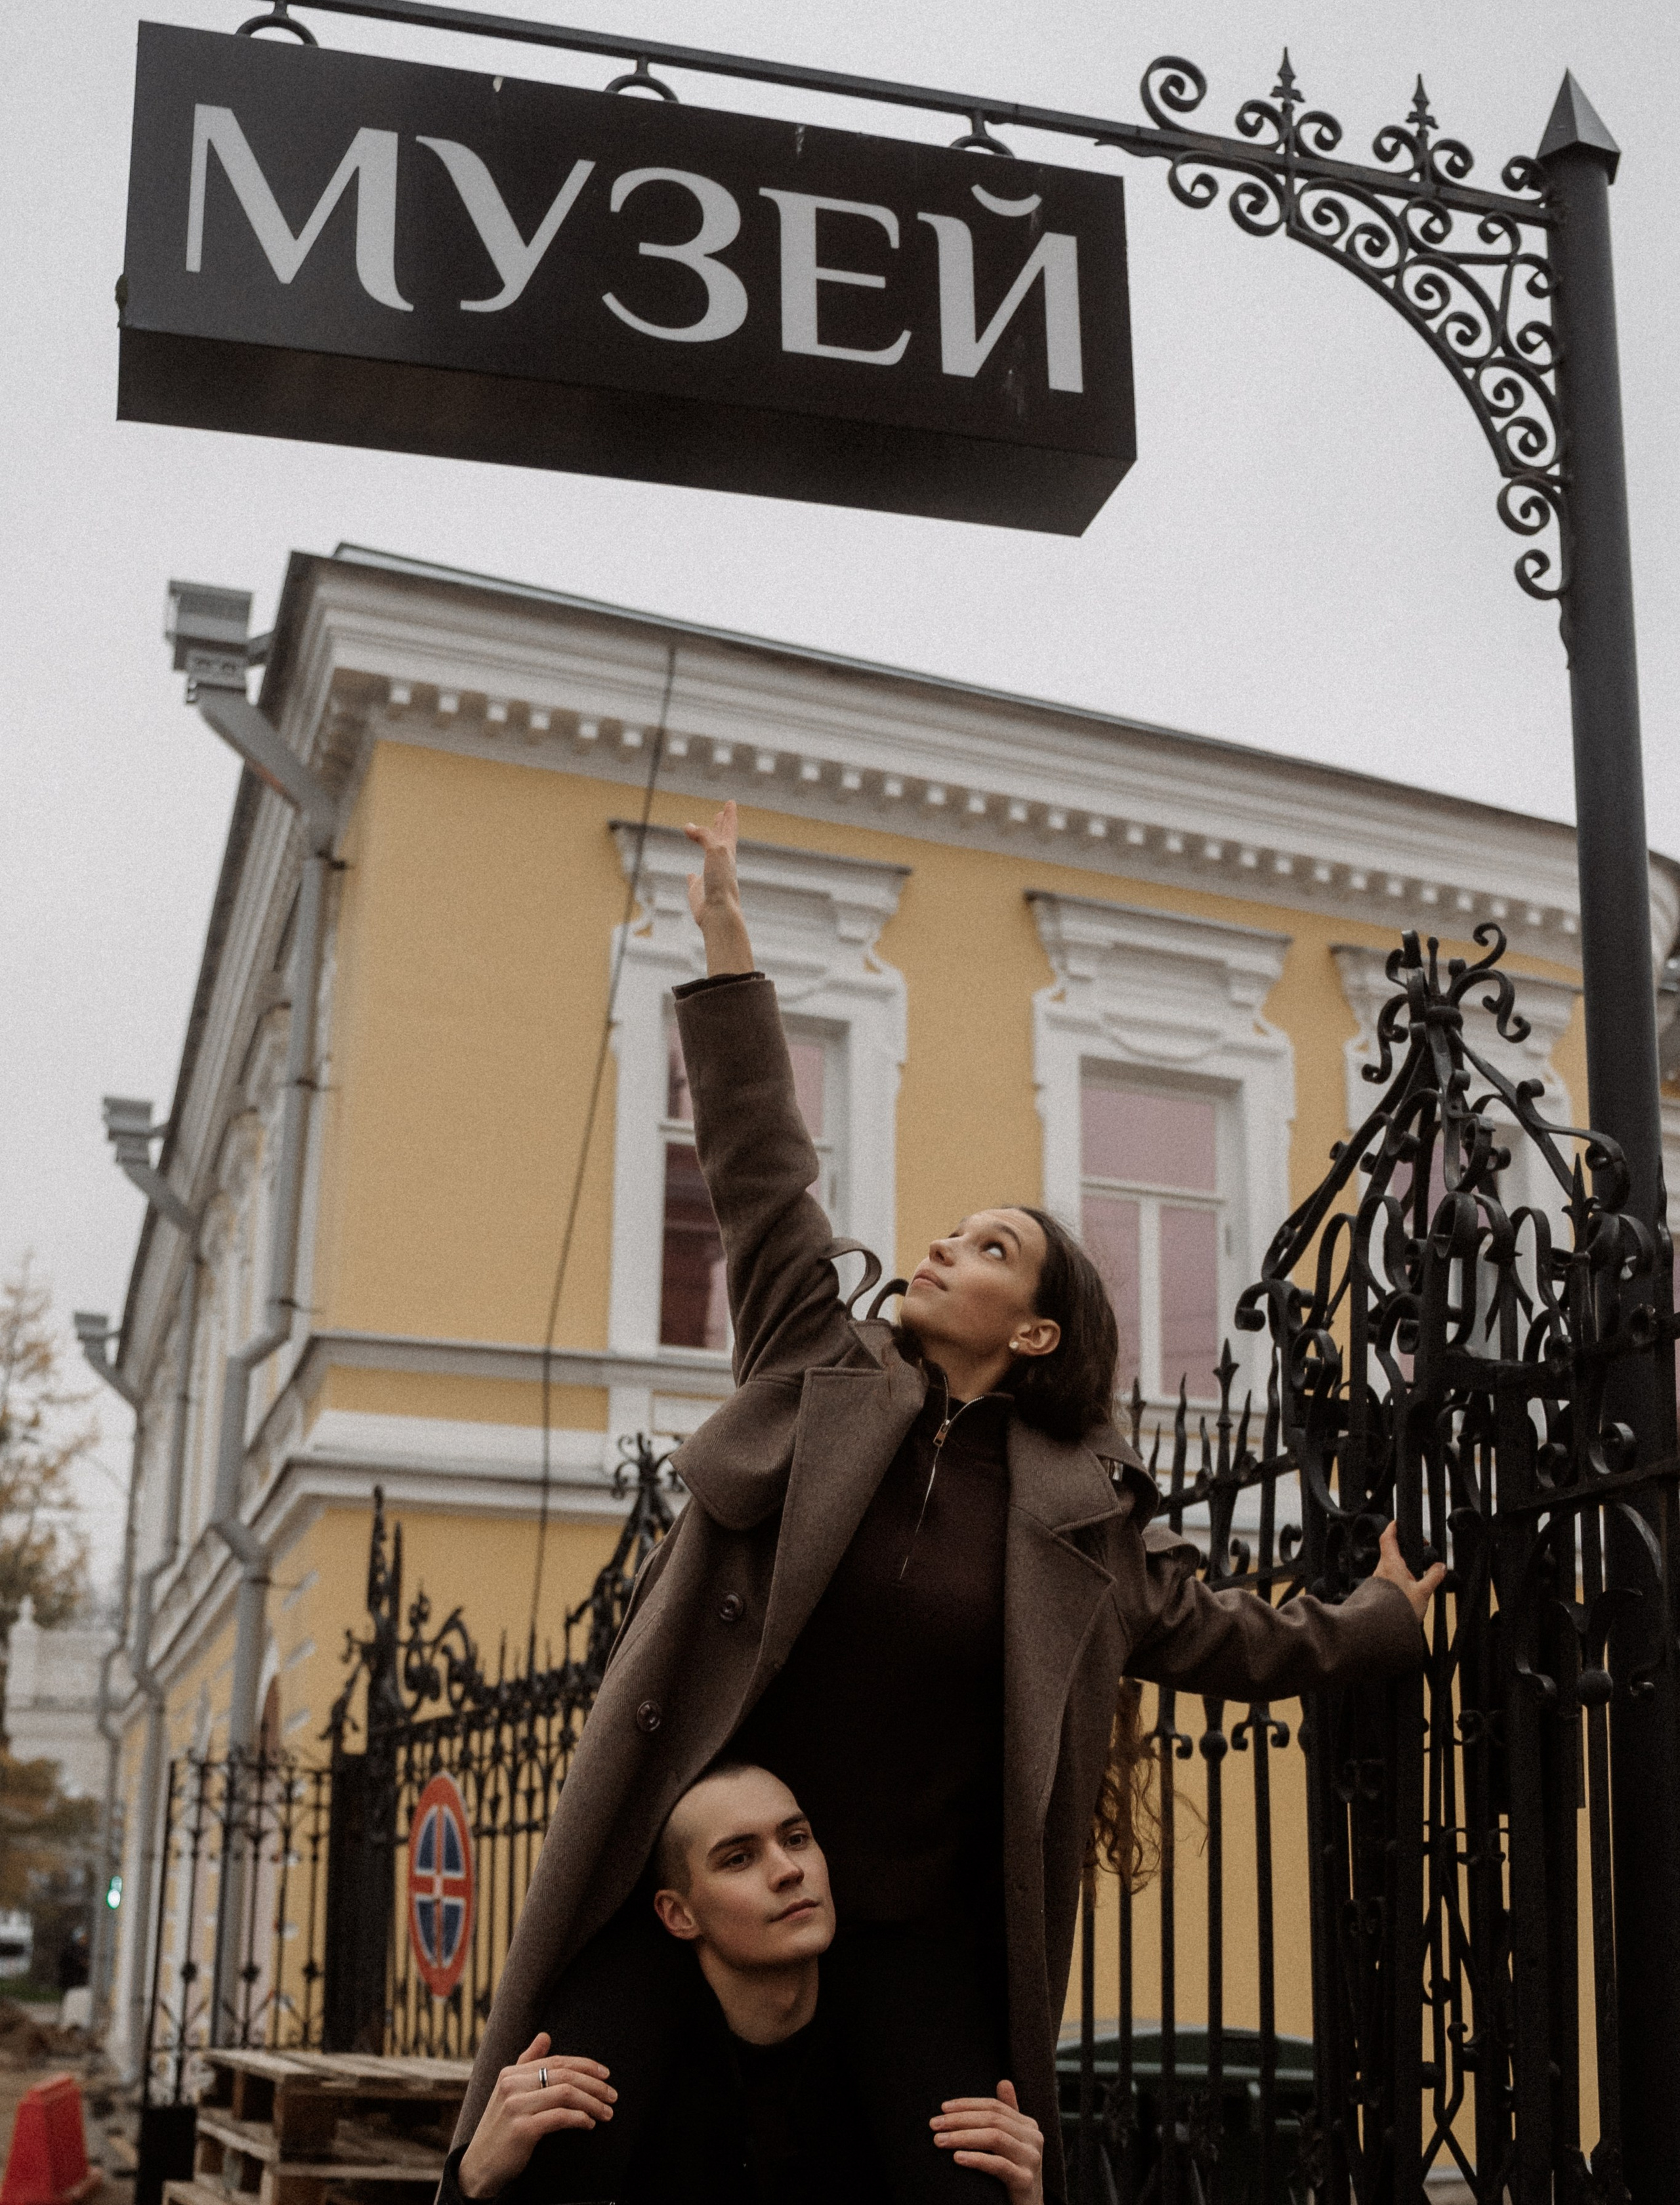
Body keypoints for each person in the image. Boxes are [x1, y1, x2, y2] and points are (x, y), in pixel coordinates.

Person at [453, 801, 1442, 2203]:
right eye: (953, 1230)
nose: (939, 1245)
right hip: (715, 1885)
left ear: (1034, 1330)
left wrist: (1385, 1620)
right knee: (544, 2141)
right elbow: (760, 1170)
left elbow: (1233, 1639)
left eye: (987, 1248)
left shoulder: (1080, 1519)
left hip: (912, 1929)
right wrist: (727, 942)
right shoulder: (818, 1367)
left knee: (976, 2181)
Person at [450, 1759, 1045, 2204]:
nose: (788, 1870)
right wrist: (474, 2180)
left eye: (796, 1838)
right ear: (678, 1914)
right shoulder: (638, 2061)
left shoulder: (898, 2042)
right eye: (739, 1858)